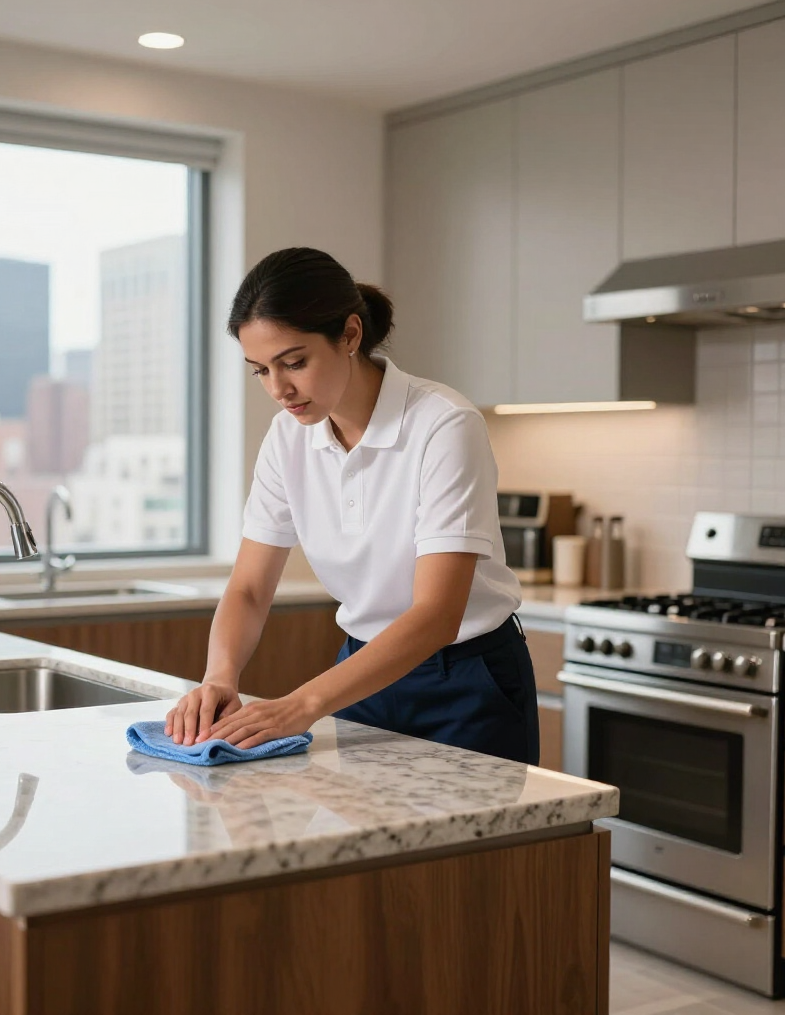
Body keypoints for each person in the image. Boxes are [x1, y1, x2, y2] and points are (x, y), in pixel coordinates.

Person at [165, 247, 538, 764]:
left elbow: (436, 614)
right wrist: (219, 677)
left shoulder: (443, 424)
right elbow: (250, 588)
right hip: (360, 674)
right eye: (261, 371)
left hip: (466, 681)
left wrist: (300, 705)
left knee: (475, 846)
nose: (279, 389)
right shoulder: (287, 438)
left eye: (294, 363)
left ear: (350, 335)